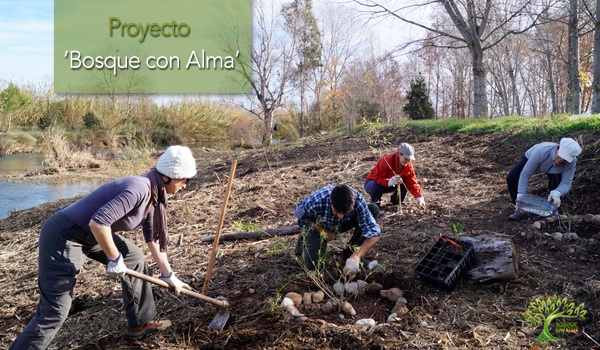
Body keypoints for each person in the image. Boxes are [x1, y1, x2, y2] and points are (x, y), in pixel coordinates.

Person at [10, 145, 197, 349]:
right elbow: (99, 222)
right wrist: (114, 258)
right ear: (170, 176)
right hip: (65, 234)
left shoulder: (154, 195)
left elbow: (153, 238)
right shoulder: (140, 188)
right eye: (185, 179)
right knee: (55, 310)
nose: (186, 185)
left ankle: (141, 323)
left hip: (90, 234)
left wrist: (168, 275)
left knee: (134, 257)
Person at [294, 184, 380, 276]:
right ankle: (303, 241)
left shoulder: (357, 200)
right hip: (320, 225)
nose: (340, 216)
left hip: (342, 224)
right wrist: (322, 230)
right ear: (330, 200)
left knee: (372, 209)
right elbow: (301, 216)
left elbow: (374, 232)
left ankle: (350, 253)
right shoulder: (316, 201)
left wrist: (356, 256)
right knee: (315, 269)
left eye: (345, 213)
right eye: (337, 212)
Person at [506, 137, 582, 221]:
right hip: (533, 157)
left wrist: (558, 192)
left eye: (566, 160)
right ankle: (519, 208)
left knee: (556, 183)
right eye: (561, 156)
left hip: (554, 171)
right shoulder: (541, 151)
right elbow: (526, 173)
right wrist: (521, 196)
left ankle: (552, 210)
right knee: (512, 178)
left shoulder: (571, 163)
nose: (562, 160)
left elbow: (566, 183)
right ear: (558, 148)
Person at [364, 143, 426, 209]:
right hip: (373, 184)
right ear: (399, 154)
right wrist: (388, 182)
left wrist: (419, 197)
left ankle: (396, 201)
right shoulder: (386, 160)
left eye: (409, 159)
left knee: (405, 182)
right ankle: (375, 205)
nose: (407, 161)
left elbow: (412, 182)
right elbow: (377, 177)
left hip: (391, 185)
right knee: (375, 186)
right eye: (406, 158)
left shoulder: (408, 166)